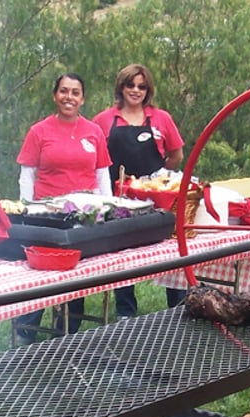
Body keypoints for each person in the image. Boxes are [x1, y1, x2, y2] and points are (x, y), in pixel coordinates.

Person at [12, 73, 113, 345]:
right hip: (47, 216)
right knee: (40, 274)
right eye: (64, 91)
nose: (69, 97)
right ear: (55, 95)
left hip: (84, 215)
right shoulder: (39, 131)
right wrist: (28, 209)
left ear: (83, 99)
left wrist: (109, 208)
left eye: (75, 92)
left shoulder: (94, 132)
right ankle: (27, 331)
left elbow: (102, 174)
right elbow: (27, 174)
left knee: (75, 273)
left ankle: (67, 333)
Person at [92, 64, 186, 317]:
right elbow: (95, 158)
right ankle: (126, 312)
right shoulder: (103, 120)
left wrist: (158, 179)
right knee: (123, 253)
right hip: (119, 197)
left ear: (148, 90)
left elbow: (176, 154)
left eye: (141, 86)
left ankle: (179, 305)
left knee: (170, 251)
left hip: (158, 196)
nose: (135, 90)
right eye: (130, 85)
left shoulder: (161, 118)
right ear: (121, 87)